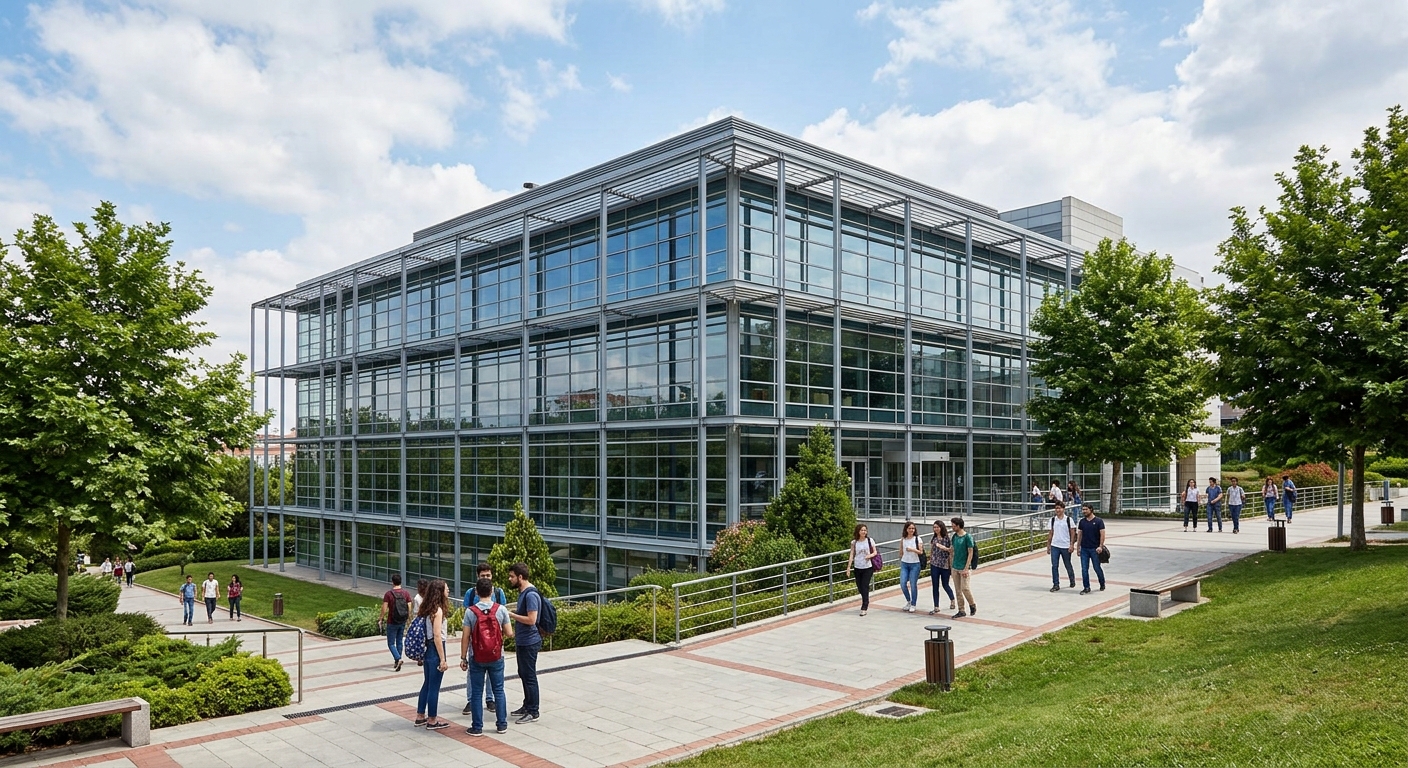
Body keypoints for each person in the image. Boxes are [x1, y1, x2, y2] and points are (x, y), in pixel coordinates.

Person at [460, 577, 513, 737]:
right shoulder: (501, 610)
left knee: (476, 692)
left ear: (476, 592)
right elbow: (509, 633)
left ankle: (477, 727)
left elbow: (465, 636)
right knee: (499, 690)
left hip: (477, 656)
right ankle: (502, 725)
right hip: (497, 656)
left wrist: (463, 658)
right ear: (491, 591)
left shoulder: (470, 611)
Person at [463, 563, 508, 716]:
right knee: (475, 672)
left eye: (488, 575)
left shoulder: (499, 592)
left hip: (494, 642)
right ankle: (471, 700)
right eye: (483, 576)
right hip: (476, 642)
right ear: (478, 576)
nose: (486, 578)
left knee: (488, 672)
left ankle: (489, 699)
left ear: (492, 575)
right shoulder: (471, 593)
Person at [413, 579, 452, 730]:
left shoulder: (427, 609)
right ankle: (432, 720)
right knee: (434, 686)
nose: (448, 591)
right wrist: (443, 659)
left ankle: (420, 716)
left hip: (427, 649)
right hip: (436, 648)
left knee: (427, 684)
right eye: (446, 589)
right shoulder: (438, 610)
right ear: (440, 592)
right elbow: (437, 635)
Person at [507, 563, 543, 724]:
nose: (510, 579)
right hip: (522, 641)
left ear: (520, 577)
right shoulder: (523, 593)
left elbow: (532, 620)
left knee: (529, 676)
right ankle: (527, 705)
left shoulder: (530, 595)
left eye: (512, 576)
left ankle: (533, 711)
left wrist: (511, 615)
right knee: (523, 673)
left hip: (530, 641)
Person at [381, 574, 413, 672]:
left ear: (392, 582)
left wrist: (381, 618)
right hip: (402, 620)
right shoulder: (406, 593)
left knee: (391, 643)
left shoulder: (388, 594)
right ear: (401, 582)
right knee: (399, 641)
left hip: (392, 621)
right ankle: (397, 660)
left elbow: (384, 608)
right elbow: (409, 607)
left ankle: (398, 658)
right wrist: (407, 617)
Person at [845, 524, 877, 617]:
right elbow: (851, 554)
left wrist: (870, 556)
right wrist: (848, 567)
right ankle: (865, 599)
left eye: (865, 530)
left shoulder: (870, 540)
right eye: (862, 530)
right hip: (857, 566)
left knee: (864, 586)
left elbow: (875, 552)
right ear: (858, 531)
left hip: (867, 567)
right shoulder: (854, 542)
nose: (864, 532)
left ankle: (864, 606)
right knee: (860, 587)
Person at [1075, 504, 1107, 594]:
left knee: (1097, 567)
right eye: (1083, 509)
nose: (1084, 511)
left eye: (1086, 509)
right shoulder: (1082, 522)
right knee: (1084, 569)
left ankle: (1102, 582)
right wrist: (1078, 548)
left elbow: (1102, 534)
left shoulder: (1099, 521)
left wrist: (1100, 546)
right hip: (1084, 549)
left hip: (1094, 549)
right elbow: (1080, 535)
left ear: (1091, 510)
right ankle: (1086, 587)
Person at [1047, 501, 1077, 592]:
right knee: (1054, 566)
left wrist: (1071, 544)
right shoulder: (1052, 520)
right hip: (1055, 545)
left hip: (1065, 546)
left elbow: (1072, 532)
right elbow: (1051, 533)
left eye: (1059, 508)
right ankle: (1056, 584)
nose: (1058, 510)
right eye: (1056, 508)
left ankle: (1072, 579)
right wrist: (1048, 545)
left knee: (1067, 564)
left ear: (1063, 509)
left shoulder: (1068, 520)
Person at [950, 517, 977, 618]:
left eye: (953, 525)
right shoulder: (954, 537)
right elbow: (952, 550)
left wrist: (966, 568)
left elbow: (970, 553)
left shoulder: (967, 537)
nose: (952, 527)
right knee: (957, 590)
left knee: (965, 588)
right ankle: (961, 610)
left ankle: (972, 604)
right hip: (955, 566)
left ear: (958, 526)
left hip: (964, 567)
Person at [928, 520, 955, 615]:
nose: (935, 529)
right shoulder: (934, 538)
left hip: (944, 565)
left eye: (937, 527)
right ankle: (936, 606)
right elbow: (932, 550)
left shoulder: (947, 538)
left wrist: (944, 548)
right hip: (934, 564)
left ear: (941, 528)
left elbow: (951, 550)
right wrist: (930, 559)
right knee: (935, 585)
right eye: (934, 527)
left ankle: (952, 599)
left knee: (945, 584)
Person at [898, 521, 924, 613]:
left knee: (913, 584)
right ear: (906, 529)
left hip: (915, 564)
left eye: (913, 528)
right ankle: (908, 601)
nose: (911, 530)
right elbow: (901, 551)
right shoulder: (903, 539)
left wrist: (912, 549)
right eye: (909, 528)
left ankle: (913, 603)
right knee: (902, 583)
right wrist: (901, 557)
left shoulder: (918, 539)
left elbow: (921, 552)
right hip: (905, 563)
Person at [412, 579, 428, 666]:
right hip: (428, 620)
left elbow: (416, 611)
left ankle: (420, 657)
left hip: (420, 620)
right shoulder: (429, 596)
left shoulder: (417, 598)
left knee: (420, 639)